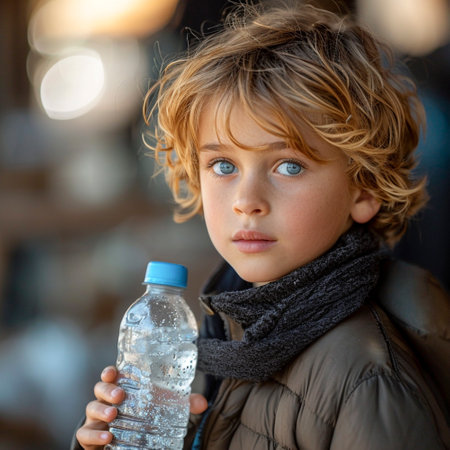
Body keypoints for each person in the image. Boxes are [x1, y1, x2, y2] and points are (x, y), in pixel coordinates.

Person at [72, 2, 450, 449]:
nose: (247, 202)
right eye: (224, 165)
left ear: (364, 189)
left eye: (289, 166)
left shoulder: (367, 381)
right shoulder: (238, 338)